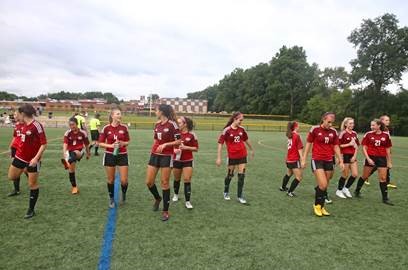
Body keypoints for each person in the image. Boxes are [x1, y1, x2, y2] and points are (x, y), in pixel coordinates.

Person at [7, 104, 47, 219]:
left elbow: (44, 144)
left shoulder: (36, 125)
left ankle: (31, 210)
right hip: (20, 157)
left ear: (23, 114)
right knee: (11, 176)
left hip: (32, 160)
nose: (16, 116)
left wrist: (36, 158)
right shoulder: (22, 125)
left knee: (32, 184)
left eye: (17, 113)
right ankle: (25, 171)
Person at [302, 112, 344, 217]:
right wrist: (303, 158)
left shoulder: (333, 132)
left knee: (325, 185)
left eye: (332, 122)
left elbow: (336, 146)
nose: (330, 124)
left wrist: (340, 159)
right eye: (328, 122)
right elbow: (308, 144)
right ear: (323, 119)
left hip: (329, 160)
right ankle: (316, 205)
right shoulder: (315, 129)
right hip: (317, 160)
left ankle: (322, 206)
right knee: (323, 184)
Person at [145, 104, 181, 221]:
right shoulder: (156, 124)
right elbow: (156, 140)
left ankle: (165, 211)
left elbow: (179, 141)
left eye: (156, 110)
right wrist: (154, 149)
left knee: (164, 183)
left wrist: (165, 144)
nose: (155, 112)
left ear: (161, 112)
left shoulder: (172, 125)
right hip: (155, 155)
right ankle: (157, 198)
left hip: (167, 156)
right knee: (149, 182)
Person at [216, 112, 254, 204]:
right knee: (230, 175)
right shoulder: (227, 130)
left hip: (242, 155)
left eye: (242, 120)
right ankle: (226, 191)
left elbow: (246, 139)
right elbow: (220, 143)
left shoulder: (242, 129)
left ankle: (240, 196)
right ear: (235, 119)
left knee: (241, 176)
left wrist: (252, 149)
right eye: (240, 120)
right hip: (232, 156)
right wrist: (219, 157)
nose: (241, 122)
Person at [354, 119, 393, 205]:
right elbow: (364, 147)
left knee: (383, 178)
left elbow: (388, 149)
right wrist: (368, 159)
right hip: (370, 157)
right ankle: (357, 191)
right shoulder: (368, 134)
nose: (371, 127)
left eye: (373, 125)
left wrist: (389, 162)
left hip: (382, 158)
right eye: (371, 125)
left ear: (379, 126)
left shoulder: (386, 135)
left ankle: (385, 198)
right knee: (365, 176)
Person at [98, 108, 130, 208]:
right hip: (109, 155)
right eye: (117, 114)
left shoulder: (124, 128)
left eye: (120, 114)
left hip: (122, 155)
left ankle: (124, 193)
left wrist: (122, 143)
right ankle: (111, 198)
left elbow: (128, 141)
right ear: (112, 116)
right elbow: (100, 143)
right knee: (110, 180)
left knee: (124, 180)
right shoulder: (106, 128)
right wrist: (111, 146)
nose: (120, 115)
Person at [171, 116, 199, 209]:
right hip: (177, 160)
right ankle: (175, 194)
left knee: (187, 179)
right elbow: (171, 145)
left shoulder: (192, 135)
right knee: (177, 179)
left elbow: (196, 148)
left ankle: (187, 201)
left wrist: (186, 147)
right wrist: (174, 150)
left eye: (179, 123)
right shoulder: (175, 134)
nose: (178, 124)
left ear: (185, 124)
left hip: (188, 160)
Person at [61, 117, 91, 194]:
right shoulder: (67, 133)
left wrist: (88, 153)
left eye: (73, 124)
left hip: (80, 151)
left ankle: (68, 162)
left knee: (75, 152)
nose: (72, 126)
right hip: (70, 152)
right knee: (71, 171)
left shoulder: (83, 132)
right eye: (70, 125)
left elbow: (87, 144)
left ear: (77, 124)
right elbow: (65, 144)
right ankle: (74, 187)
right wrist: (64, 154)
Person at [336, 117, 359, 199]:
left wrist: (354, 156)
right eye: (350, 123)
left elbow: (357, 146)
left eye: (353, 123)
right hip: (344, 155)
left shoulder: (354, 133)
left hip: (352, 156)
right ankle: (339, 190)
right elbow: (338, 146)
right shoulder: (342, 133)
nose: (352, 125)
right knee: (345, 175)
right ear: (345, 124)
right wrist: (349, 144)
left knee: (355, 174)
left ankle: (346, 188)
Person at [280, 121, 304, 197]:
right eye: (298, 126)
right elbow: (299, 148)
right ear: (295, 127)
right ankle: (290, 192)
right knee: (299, 177)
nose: (299, 127)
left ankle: (283, 187)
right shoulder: (296, 135)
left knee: (289, 173)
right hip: (294, 159)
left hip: (289, 159)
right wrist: (302, 159)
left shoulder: (290, 135)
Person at [7, 110, 26, 197]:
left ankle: (32, 180)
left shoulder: (27, 125)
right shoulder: (17, 125)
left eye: (15, 114)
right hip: (15, 149)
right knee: (15, 169)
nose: (14, 116)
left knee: (26, 169)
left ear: (21, 115)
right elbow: (15, 137)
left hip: (23, 150)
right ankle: (16, 190)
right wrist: (10, 148)